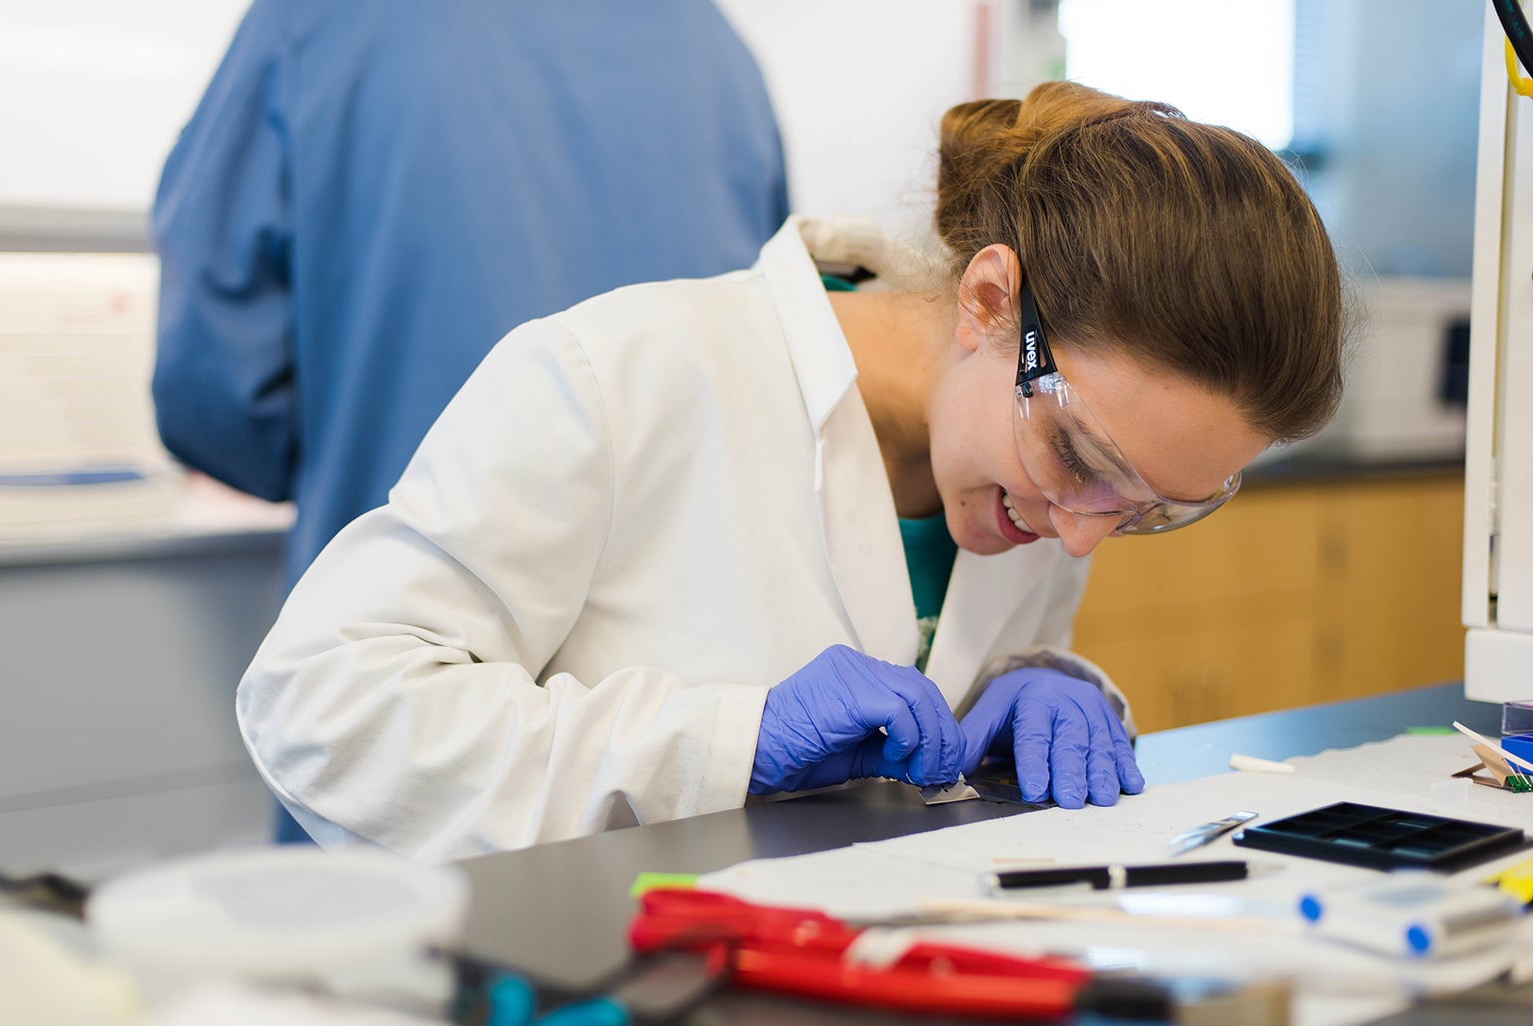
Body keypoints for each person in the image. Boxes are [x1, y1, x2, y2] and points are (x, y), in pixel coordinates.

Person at [237, 82, 1346, 861]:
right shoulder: (623, 371)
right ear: (989, 302)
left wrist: (1047, 682)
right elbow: (321, 707)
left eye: (1153, 511)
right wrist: (733, 743)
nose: (1083, 534)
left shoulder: (1037, 462)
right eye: (1078, 459)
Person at [148, 0, 789, 841]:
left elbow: (214, 395)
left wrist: (352, 434)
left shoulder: (317, 24)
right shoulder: (715, 51)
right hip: (679, 761)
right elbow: (774, 365)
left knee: (384, 957)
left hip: (410, 720)